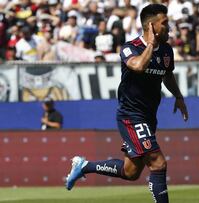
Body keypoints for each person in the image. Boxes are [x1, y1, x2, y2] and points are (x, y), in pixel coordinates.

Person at [65, 4, 189, 203]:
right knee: (158, 163)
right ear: (151, 26)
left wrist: (179, 96)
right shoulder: (130, 48)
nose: (169, 27)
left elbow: (167, 75)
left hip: (148, 117)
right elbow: (139, 66)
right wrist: (150, 44)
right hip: (131, 116)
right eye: (164, 23)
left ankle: (84, 166)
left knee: (130, 172)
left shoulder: (166, 51)